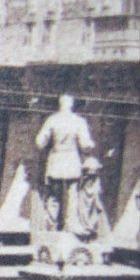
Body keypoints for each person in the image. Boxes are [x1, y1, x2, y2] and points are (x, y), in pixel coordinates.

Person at [35, 94, 95, 232]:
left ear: (60, 104)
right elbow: (85, 144)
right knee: (72, 195)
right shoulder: (79, 121)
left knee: (54, 196)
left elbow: (40, 142)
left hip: (56, 159)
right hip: (71, 160)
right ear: (71, 104)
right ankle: (71, 224)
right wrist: (92, 146)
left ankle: (51, 225)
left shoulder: (52, 120)